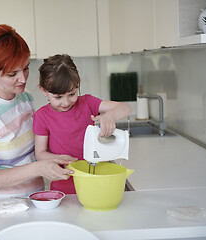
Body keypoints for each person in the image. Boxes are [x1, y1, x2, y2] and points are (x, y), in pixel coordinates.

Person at [0, 25, 76, 198]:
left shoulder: (25, 98)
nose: (22, 79)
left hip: (35, 197)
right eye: (13, 73)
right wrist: (38, 168)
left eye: (26, 68)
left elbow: (37, 148)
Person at [33, 54, 132, 194]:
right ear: (43, 91)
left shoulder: (88, 103)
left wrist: (110, 116)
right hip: (63, 187)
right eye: (58, 97)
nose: (66, 102)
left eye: (72, 94)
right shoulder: (42, 116)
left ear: (77, 86)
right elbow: (40, 153)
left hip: (95, 182)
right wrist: (58, 158)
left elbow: (125, 108)